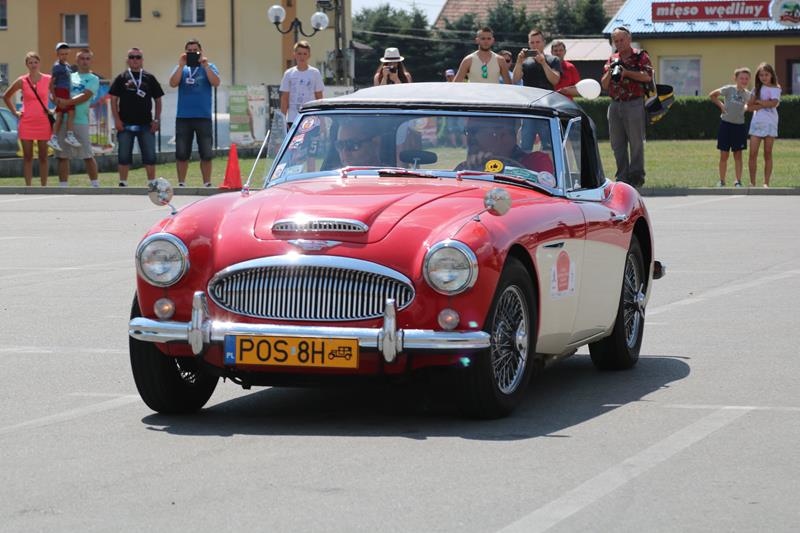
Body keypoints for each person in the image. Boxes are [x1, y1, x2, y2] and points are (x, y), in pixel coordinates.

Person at [601, 26, 653, 188]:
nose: (619, 43)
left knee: (636, 142)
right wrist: (610, 71)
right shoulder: (612, 59)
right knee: (617, 143)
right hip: (615, 104)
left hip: (634, 103)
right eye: (615, 41)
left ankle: (637, 176)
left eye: (621, 40)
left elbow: (647, 76)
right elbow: (604, 85)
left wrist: (627, 72)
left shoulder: (640, 56)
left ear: (629, 39)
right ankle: (622, 177)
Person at [109, 48, 164, 187]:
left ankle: (151, 184)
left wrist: (156, 120)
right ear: (127, 60)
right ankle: (123, 183)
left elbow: (158, 100)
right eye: (131, 57)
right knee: (123, 155)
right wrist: (116, 120)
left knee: (149, 156)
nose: (135, 60)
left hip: (146, 124)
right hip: (125, 124)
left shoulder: (149, 78)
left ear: (142, 60)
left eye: (138, 57)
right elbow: (113, 99)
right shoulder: (121, 77)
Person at [169, 39, 220, 187]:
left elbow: (216, 83)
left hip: (203, 116)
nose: (192, 53)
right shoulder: (181, 68)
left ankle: (207, 183)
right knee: (182, 153)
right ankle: (181, 183)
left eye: (195, 51)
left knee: (206, 153)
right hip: (183, 117)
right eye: (189, 51)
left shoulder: (209, 66)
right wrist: (180, 66)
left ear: (201, 51)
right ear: (185, 52)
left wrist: (206, 66)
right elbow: (173, 83)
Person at [2, 51, 52, 186]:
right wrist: (15, 112)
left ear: (39, 63)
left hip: (43, 121)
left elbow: (57, 95)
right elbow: (6, 96)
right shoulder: (22, 81)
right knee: (28, 156)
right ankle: (28, 186)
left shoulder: (48, 79)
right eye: (30, 62)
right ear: (26, 65)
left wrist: (54, 109)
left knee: (43, 156)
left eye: (35, 62)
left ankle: (44, 186)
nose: (33, 65)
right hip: (26, 121)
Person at [53, 48, 100, 187]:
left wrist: (67, 102)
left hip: (80, 121)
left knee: (87, 155)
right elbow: (56, 89)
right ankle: (63, 186)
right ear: (77, 60)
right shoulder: (69, 76)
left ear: (91, 61)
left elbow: (85, 96)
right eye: (82, 58)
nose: (85, 61)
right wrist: (55, 99)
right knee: (62, 156)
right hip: (63, 120)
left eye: (87, 58)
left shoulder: (93, 79)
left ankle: (95, 185)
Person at [454, 116, 554, 174]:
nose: (469, 138)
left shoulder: (535, 162)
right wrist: (473, 169)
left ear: (502, 135)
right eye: (467, 132)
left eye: (474, 131)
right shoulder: (466, 168)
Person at [514, 30, 561, 149]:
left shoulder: (553, 60)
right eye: (532, 42)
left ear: (544, 42)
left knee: (548, 146)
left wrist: (543, 63)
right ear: (528, 43)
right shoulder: (525, 62)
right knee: (525, 146)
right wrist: (519, 62)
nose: (535, 45)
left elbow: (555, 80)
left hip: (546, 107)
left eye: (538, 42)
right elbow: (515, 79)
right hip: (529, 107)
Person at [709, 67, 751, 187]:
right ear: (735, 79)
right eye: (741, 78)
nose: (744, 80)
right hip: (726, 125)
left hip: (739, 127)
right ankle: (722, 181)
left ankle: (738, 181)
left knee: (738, 155)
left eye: (746, 78)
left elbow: (750, 104)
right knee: (724, 155)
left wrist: (746, 107)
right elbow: (712, 95)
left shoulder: (748, 94)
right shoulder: (728, 89)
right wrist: (721, 106)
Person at [747, 62, 781, 188]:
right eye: (761, 75)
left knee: (767, 153)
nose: (764, 77)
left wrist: (759, 102)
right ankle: (752, 182)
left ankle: (766, 182)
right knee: (752, 153)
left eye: (766, 74)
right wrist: (764, 103)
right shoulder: (756, 89)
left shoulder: (776, 89)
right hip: (756, 124)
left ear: (771, 75)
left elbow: (774, 103)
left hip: (770, 124)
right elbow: (749, 107)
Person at [48, 42, 81, 152]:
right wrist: (54, 97)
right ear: (57, 54)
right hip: (61, 91)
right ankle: (68, 135)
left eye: (66, 54)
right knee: (70, 112)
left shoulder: (67, 65)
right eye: (62, 54)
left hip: (67, 91)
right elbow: (51, 83)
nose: (64, 56)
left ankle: (54, 137)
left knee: (61, 115)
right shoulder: (57, 67)